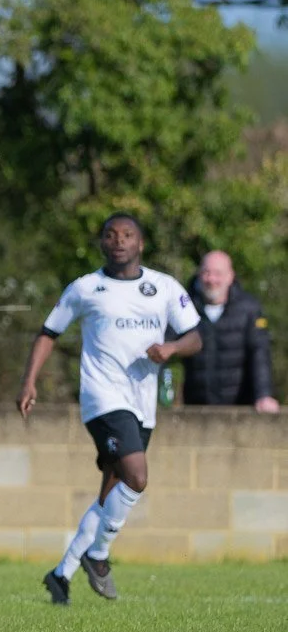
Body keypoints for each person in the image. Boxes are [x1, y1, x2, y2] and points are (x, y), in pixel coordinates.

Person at [16, 214, 200, 605]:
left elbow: (194, 337)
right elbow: (49, 332)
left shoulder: (163, 287)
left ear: (141, 243)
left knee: (112, 491)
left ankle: (62, 573)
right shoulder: (86, 288)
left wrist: (171, 349)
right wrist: (29, 381)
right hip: (102, 398)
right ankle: (98, 556)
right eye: (111, 235)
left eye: (128, 235)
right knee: (136, 477)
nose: (119, 241)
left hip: (142, 402)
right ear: (102, 243)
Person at [181, 250, 277, 412]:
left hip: (240, 408)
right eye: (206, 273)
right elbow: (165, 347)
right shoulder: (183, 307)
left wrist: (264, 394)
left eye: (218, 273)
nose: (211, 279)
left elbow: (259, 353)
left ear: (230, 276)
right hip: (196, 408)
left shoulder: (249, 309)